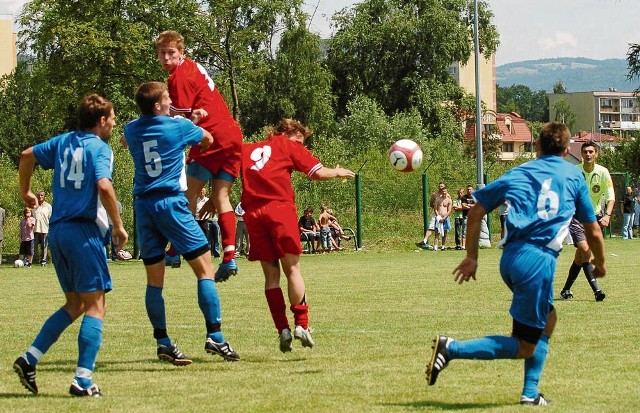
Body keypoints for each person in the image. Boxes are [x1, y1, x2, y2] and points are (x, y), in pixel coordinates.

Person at [425, 122, 607, 405]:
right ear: (566, 149)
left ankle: (531, 394)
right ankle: (452, 349)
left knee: (548, 319)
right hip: (537, 262)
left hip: (510, 258)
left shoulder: (519, 172)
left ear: (537, 147)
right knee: (524, 345)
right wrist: (602, 263)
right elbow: (593, 229)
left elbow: (475, 212)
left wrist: (472, 257)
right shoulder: (573, 176)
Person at [13, 94, 127, 397]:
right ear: (102, 121)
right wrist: (118, 226)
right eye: (113, 118)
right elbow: (104, 185)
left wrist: (25, 192)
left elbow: (27, 155)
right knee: (96, 305)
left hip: (58, 232)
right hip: (82, 231)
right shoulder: (100, 148)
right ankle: (83, 380)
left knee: (75, 303)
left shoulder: (63, 141)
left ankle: (29, 359)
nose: (115, 123)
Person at [124, 81, 239, 365]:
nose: (171, 102)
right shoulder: (177, 127)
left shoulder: (132, 128)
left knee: (154, 282)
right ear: (157, 105)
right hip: (171, 203)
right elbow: (208, 139)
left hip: (143, 205)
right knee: (205, 270)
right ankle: (215, 336)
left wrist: (183, 121)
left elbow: (130, 138)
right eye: (167, 99)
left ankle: (163, 341)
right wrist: (192, 123)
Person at [240, 118, 355, 352]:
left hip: (253, 215)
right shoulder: (287, 146)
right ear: (287, 133)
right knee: (292, 269)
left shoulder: (248, 148)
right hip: (279, 211)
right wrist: (338, 171)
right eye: (300, 141)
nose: (301, 147)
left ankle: (282, 329)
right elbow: (317, 173)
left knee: (271, 276)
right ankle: (301, 325)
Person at [156, 30, 242, 282]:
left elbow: (181, 119)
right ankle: (229, 256)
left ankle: (175, 250)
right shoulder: (193, 67)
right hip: (232, 134)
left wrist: (150, 123)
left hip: (210, 136)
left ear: (182, 53)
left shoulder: (178, 78)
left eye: (171, 52)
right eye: (162, 53)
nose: (166, 58)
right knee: (221, 197)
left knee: (188, 194)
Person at [559, 141, 613, 301]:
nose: (588, 154)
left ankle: (566, 289)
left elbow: (611, 196)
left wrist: (607, 215)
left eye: (591, 152)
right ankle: (597, 291)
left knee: (580, 257)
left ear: (596, 154)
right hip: (575, 217)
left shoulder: (603, 172)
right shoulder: (573, 172)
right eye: (585, 152)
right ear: (581, 154)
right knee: (586, 251)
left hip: (594, 219)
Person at [417, 182, 452, 251]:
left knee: (444, 231)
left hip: (444, 216)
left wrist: (444, 216)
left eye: (442, 186)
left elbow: (449, 208)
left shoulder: (448, 197)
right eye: (439, 186)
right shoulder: (435, 195)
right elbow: (431, 203)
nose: (441, 187)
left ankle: (442, 246)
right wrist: (437, 212)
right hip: (437, 214)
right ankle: (425, 241)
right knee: (432, 227)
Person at [33, 191, 52, 266]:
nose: (40, 196)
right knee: (34, 245)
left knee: (44, 246)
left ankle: (43, 261)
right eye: (39, 195)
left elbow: (50, 218)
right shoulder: (33, 206)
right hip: (35, 229)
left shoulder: (48, 206)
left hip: (45, 229)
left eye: (42, 195)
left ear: (44, 197)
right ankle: (34, 259)